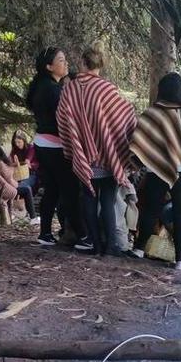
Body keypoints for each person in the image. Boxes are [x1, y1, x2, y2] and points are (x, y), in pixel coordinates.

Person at [128, 72, 181, 271]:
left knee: (150, 209)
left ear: (162, 90)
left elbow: (141, 140)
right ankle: (180, 261)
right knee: (180, 215)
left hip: (157, 169)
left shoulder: (154, 113)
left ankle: (139, 249)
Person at [56, 41, 136, 256]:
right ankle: (111, 246)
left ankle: (95, 244)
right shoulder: (106, 89)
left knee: (88, 198)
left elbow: (62, 118)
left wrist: (76, 142)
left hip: (83, 155)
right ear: (100, 65)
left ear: (83, 62)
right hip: (107, 155)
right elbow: (124, 115)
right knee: (108, 201)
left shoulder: (70, 88)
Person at [25, 47, 85, 246]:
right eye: (61, 60)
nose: (65, 63)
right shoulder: (53, 90)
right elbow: (66, 119)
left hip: (42, 143)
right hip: (55, 146)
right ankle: (82, 235)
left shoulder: (42, 86)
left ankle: (45, 234)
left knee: (51, 189)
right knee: (69, 190)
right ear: (49, 66)